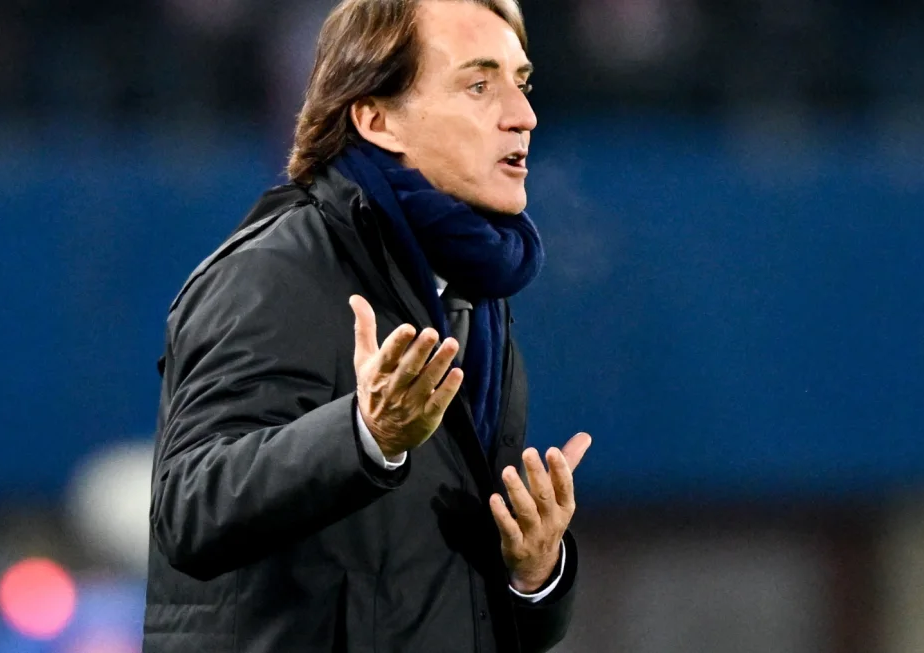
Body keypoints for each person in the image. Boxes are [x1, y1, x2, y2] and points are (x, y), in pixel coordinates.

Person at [143, 1, 591, 650]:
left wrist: (535, 573)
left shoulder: (473, 294)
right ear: (376, 118)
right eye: (478, 83)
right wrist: (363, 436)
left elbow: (436, 600)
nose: (523, 115)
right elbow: (188, 508)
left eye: (520, 83)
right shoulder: (274, 273)